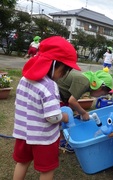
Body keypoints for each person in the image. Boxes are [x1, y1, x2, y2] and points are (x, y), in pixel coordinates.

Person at [12, 36, 81, 180]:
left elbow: (19, 103)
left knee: (22, 162)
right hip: (43, 138)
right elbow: (52, 117)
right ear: (54, 65)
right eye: (63, 71)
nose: (61, 76)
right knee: (46, 170)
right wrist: (64, 116)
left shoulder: (24, 79)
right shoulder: (49, 85)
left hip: (23, 133)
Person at [57, 69, 113, 152]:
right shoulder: (84, 82)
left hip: (61, 94)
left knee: (66, 113)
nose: (98, 97)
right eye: (102, 94)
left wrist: (78, 111)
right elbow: (72, 101)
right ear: (100, 87)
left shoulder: (87, 80)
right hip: (55, 91)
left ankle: (62, 135)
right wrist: (83, 113)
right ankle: (61, 140)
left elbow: (71, 100)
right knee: (59, 115)